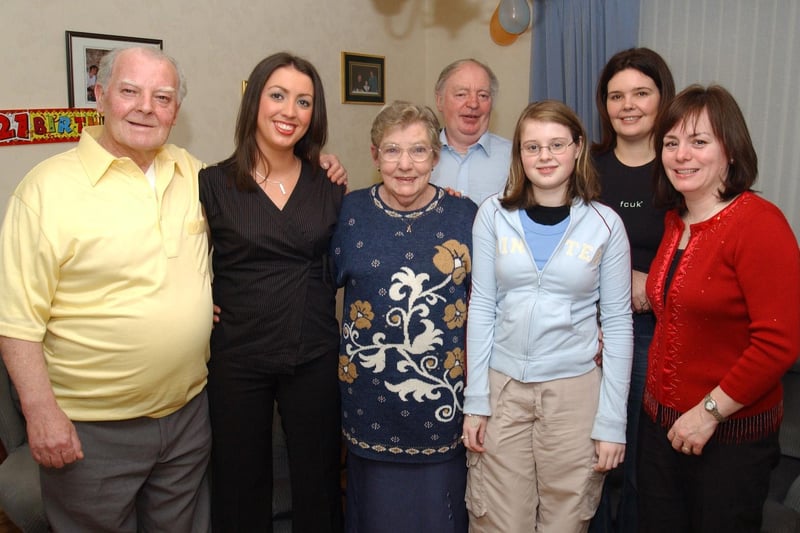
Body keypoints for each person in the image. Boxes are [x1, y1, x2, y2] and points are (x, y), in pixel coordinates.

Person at [0, 46, 213, 531]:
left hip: (187, 416)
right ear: (99, 95)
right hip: (92, 431)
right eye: (130, 92)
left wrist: (321, 164)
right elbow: (15, 323)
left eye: (162, 97)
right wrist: (42, 416)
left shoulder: (195, 175)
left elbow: (261, 204)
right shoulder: (45, 190)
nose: (146, 107)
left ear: (176, 111)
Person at [463, 100, 633, 532]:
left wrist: (612, 421)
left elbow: (616, 322)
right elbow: (482, 305)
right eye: (532, 146)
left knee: (566, 521)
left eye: (556, 144)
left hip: (573, 394)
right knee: (499, 521)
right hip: (504, 390)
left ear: (578, 148)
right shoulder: (493, 214)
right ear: (519, 153)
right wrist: (476, 400)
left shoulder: (605, 224)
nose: (545, 156)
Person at [638, 84, 800, 532]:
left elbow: (778, 344)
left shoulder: (759, 224)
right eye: (671, 143)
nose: (681, 154)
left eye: (699, 141)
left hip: (728, 438)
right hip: (661, 427)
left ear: (730, 149)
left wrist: (708, 414)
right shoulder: (675, 222)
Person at [200, 52, 345, 532]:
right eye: (278, 96)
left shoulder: (330, 182)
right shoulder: (212, 183)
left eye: (304, 102)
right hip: (239, 354)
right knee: (240, 482)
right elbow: (178, 258)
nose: (290, 111)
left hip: (315, 350)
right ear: (254, 101)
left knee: (319, 479)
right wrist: (199, 302)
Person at [331, 101, 478, 533]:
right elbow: (307, 280)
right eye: (392, 151)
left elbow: (492, 303)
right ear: (374, 156)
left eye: (418, 151)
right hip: (369, 401)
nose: (405, 164)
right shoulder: (348, 213)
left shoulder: (465, 215)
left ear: (436, 156)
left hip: (443, 407)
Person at [589, 47, 675, 533]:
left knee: (642, 461)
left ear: (663, 98)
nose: (628, 105)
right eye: (616, 95)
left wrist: (654, 281)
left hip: (654, 336)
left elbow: (698, 246)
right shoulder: (586, 166)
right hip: (588, 331)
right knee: (590, 460)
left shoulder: (679, 167)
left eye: (641, 93)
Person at [431, 58, 511, 204]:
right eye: (461, 94)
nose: (473, 103)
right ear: (439, 100)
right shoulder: (417, 157)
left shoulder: (516, 158)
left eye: (483, 96)